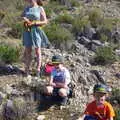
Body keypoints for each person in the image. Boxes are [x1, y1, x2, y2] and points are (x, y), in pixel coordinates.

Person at [21, 0, 50, 77]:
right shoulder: (27, 8)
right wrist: (25, 20)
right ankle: (27, 70)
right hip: (27, 30)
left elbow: (45, 21)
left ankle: (38, 70)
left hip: (36, 30)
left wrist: (35, 23)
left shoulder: (40, 8)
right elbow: (22, 16)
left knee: (37, 50)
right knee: (28, 50)